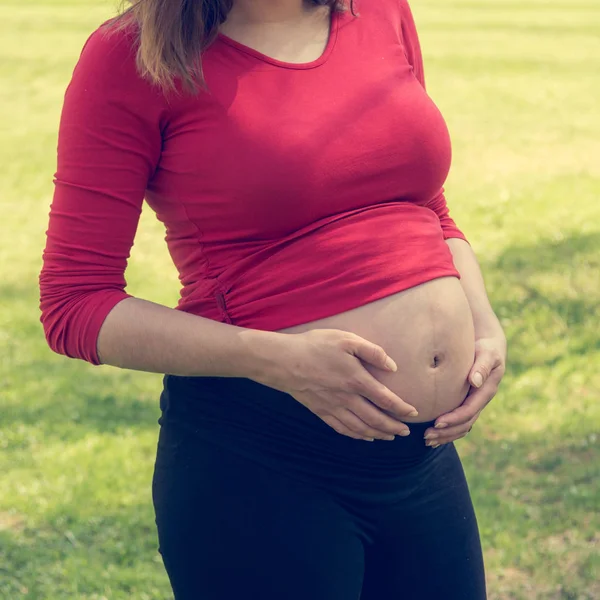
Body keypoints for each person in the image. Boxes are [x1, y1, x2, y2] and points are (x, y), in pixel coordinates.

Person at [39, 0, 507, 597]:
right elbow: (75, 303)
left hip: (420, 463)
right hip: (263, 461)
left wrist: (483, 323)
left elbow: (425, 205)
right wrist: (277, 360)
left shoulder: (381, 11)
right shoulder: (130, 56)